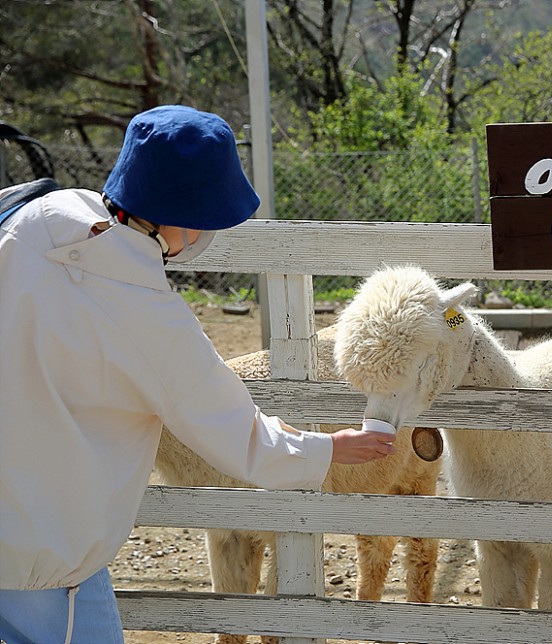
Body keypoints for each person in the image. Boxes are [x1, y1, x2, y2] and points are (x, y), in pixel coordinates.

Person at [0, 105, 395, 644]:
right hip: (40, 551)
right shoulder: (147, 315)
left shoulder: (34, 218)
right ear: (183, 218)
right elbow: (237, 434)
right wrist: (329, 449)